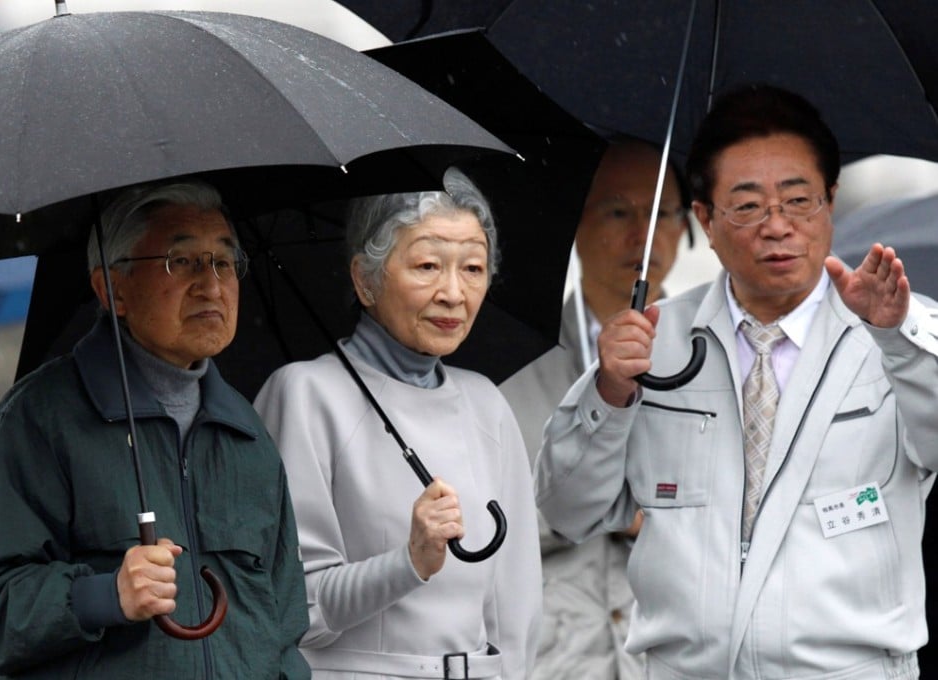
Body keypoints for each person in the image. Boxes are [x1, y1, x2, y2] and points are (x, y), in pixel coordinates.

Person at [535, 84, 938, 680]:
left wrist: (897, 341)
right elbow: (567, 509)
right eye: (747, 206)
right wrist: (608, 394)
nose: (777, 226)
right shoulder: (652, 341)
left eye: (799, 200)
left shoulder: (900, 327)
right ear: (706, 219)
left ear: (831, 201)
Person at [0, 180, 310, 679]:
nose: (211, 284)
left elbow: (283, 622)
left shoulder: (245, 432)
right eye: (181, 262)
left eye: (224, 262)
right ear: (111, 289)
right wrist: (104, 595)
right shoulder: (40, 419)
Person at [254, 167, 542, 679]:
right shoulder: (305, 394)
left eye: (473, 268)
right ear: (365, 279)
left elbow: (515, 608)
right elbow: (296, 609)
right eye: (428, 264)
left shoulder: (486, 403)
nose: (454, 293)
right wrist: (408, 561)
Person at [500, 138, 690, 680]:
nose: (643, 234)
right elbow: (488, 507)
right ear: (573, 222)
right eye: (617, 210)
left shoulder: (717, 357)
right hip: (555, 656)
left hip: (674, 652)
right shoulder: (509, 365)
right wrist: (608, 505)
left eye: (662, 213)